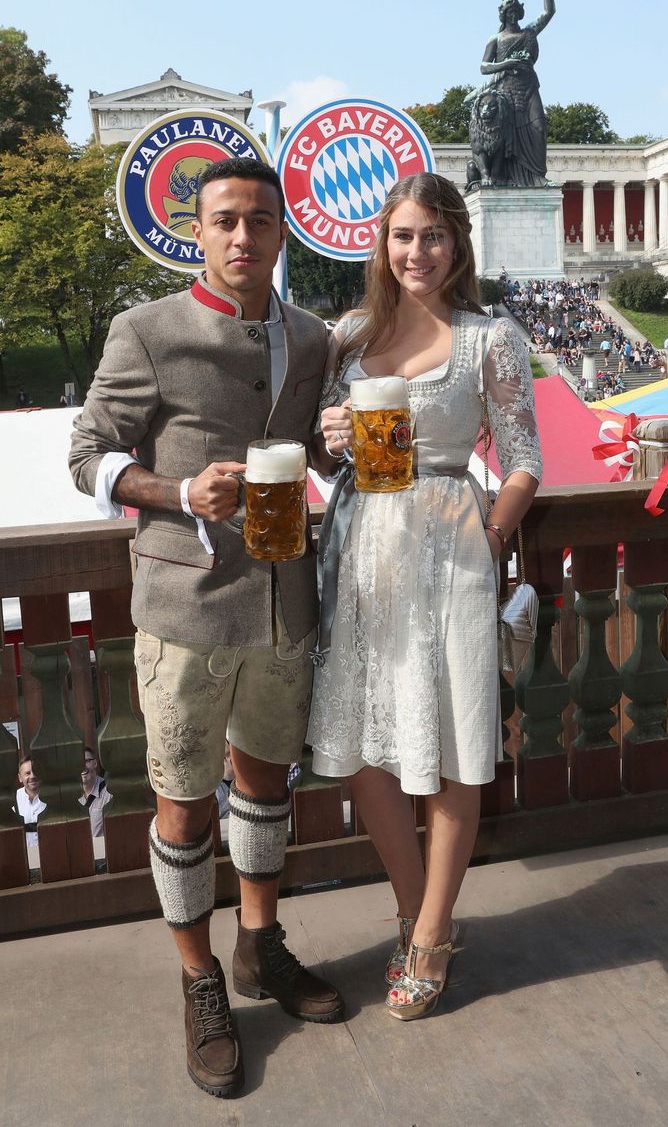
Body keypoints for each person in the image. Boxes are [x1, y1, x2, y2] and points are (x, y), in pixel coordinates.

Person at [69, 157, 341, 1100]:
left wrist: (334, 450)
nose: (242, 237)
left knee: (266, 785)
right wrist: (178, 491)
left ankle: (260, 945)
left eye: (259, 221)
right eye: (224, 220)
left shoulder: (312, 339)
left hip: (283, 600)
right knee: (183, 804)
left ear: (281, 230)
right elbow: (88, 454)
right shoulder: (145, 331)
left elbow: (308, 453)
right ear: (198, 229)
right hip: (186, 609)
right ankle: (200, 978)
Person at [307, 172, 542, 1021]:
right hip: (363, 552)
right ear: (383, 243)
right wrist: (330, 441)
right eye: (404, 235)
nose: (417, 252)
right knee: (366, 751)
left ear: (457, 244)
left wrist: (489, 532)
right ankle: (416, 910)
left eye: (433, 236)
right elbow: (329, 460)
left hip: (451, 553)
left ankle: (435, 933)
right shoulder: (348, 335)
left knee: (449, 752)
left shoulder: (491, 338)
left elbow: (526, 458)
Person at [470, 0, 555, 186]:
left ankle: (537, 176)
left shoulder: (529, 32)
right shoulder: (495, 39)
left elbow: (549, 11)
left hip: (528, 87)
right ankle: (508, 177)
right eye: (509, 12)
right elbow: (484, 67)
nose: (513, 16)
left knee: (538, 127)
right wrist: (507, 64)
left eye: (516, 12)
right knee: (509, 137)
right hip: (505, 92)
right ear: (503, 14)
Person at [78, 748, 112, 838]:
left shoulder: (109, 792)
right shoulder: (71, 795)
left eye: (87, 761)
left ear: (95, 763)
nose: (83, 766)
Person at [13, 756, 46, 848]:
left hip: (49, 852)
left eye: (35, 772)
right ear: (20, 777)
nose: (32, 776)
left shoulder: (53, 796)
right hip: (24, 855)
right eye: (27, 773)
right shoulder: (13, 799)